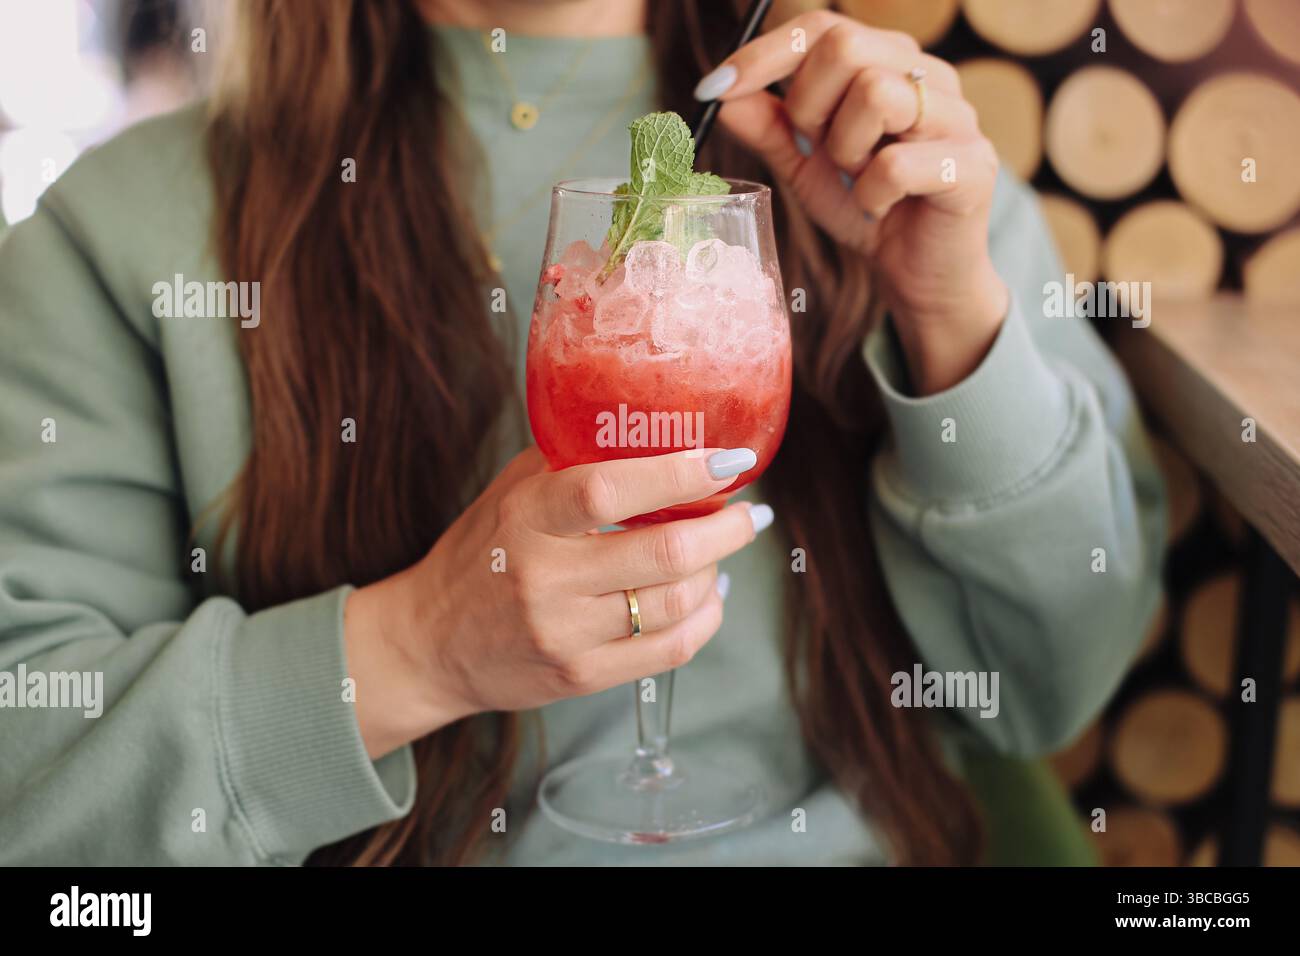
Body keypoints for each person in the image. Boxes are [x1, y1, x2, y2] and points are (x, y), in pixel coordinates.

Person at [0, 0, 1164, 865]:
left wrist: (949, 306)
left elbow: (1051, 685)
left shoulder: (884, 158)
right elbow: (30, 790)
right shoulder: (112, 237)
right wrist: (409, 649)